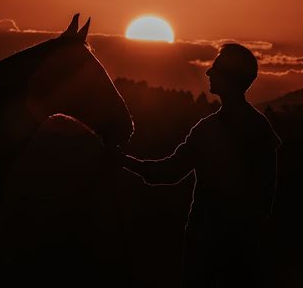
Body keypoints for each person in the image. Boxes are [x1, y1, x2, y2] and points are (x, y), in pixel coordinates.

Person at [119, 43, 281, 287]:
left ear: (229, 76)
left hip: (208, 247)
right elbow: (267, 193)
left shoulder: (210, 129)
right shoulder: (258, 128)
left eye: (215, 68)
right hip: (240, 248)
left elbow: (168, 172)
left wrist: (122, 161)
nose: (208, 73)